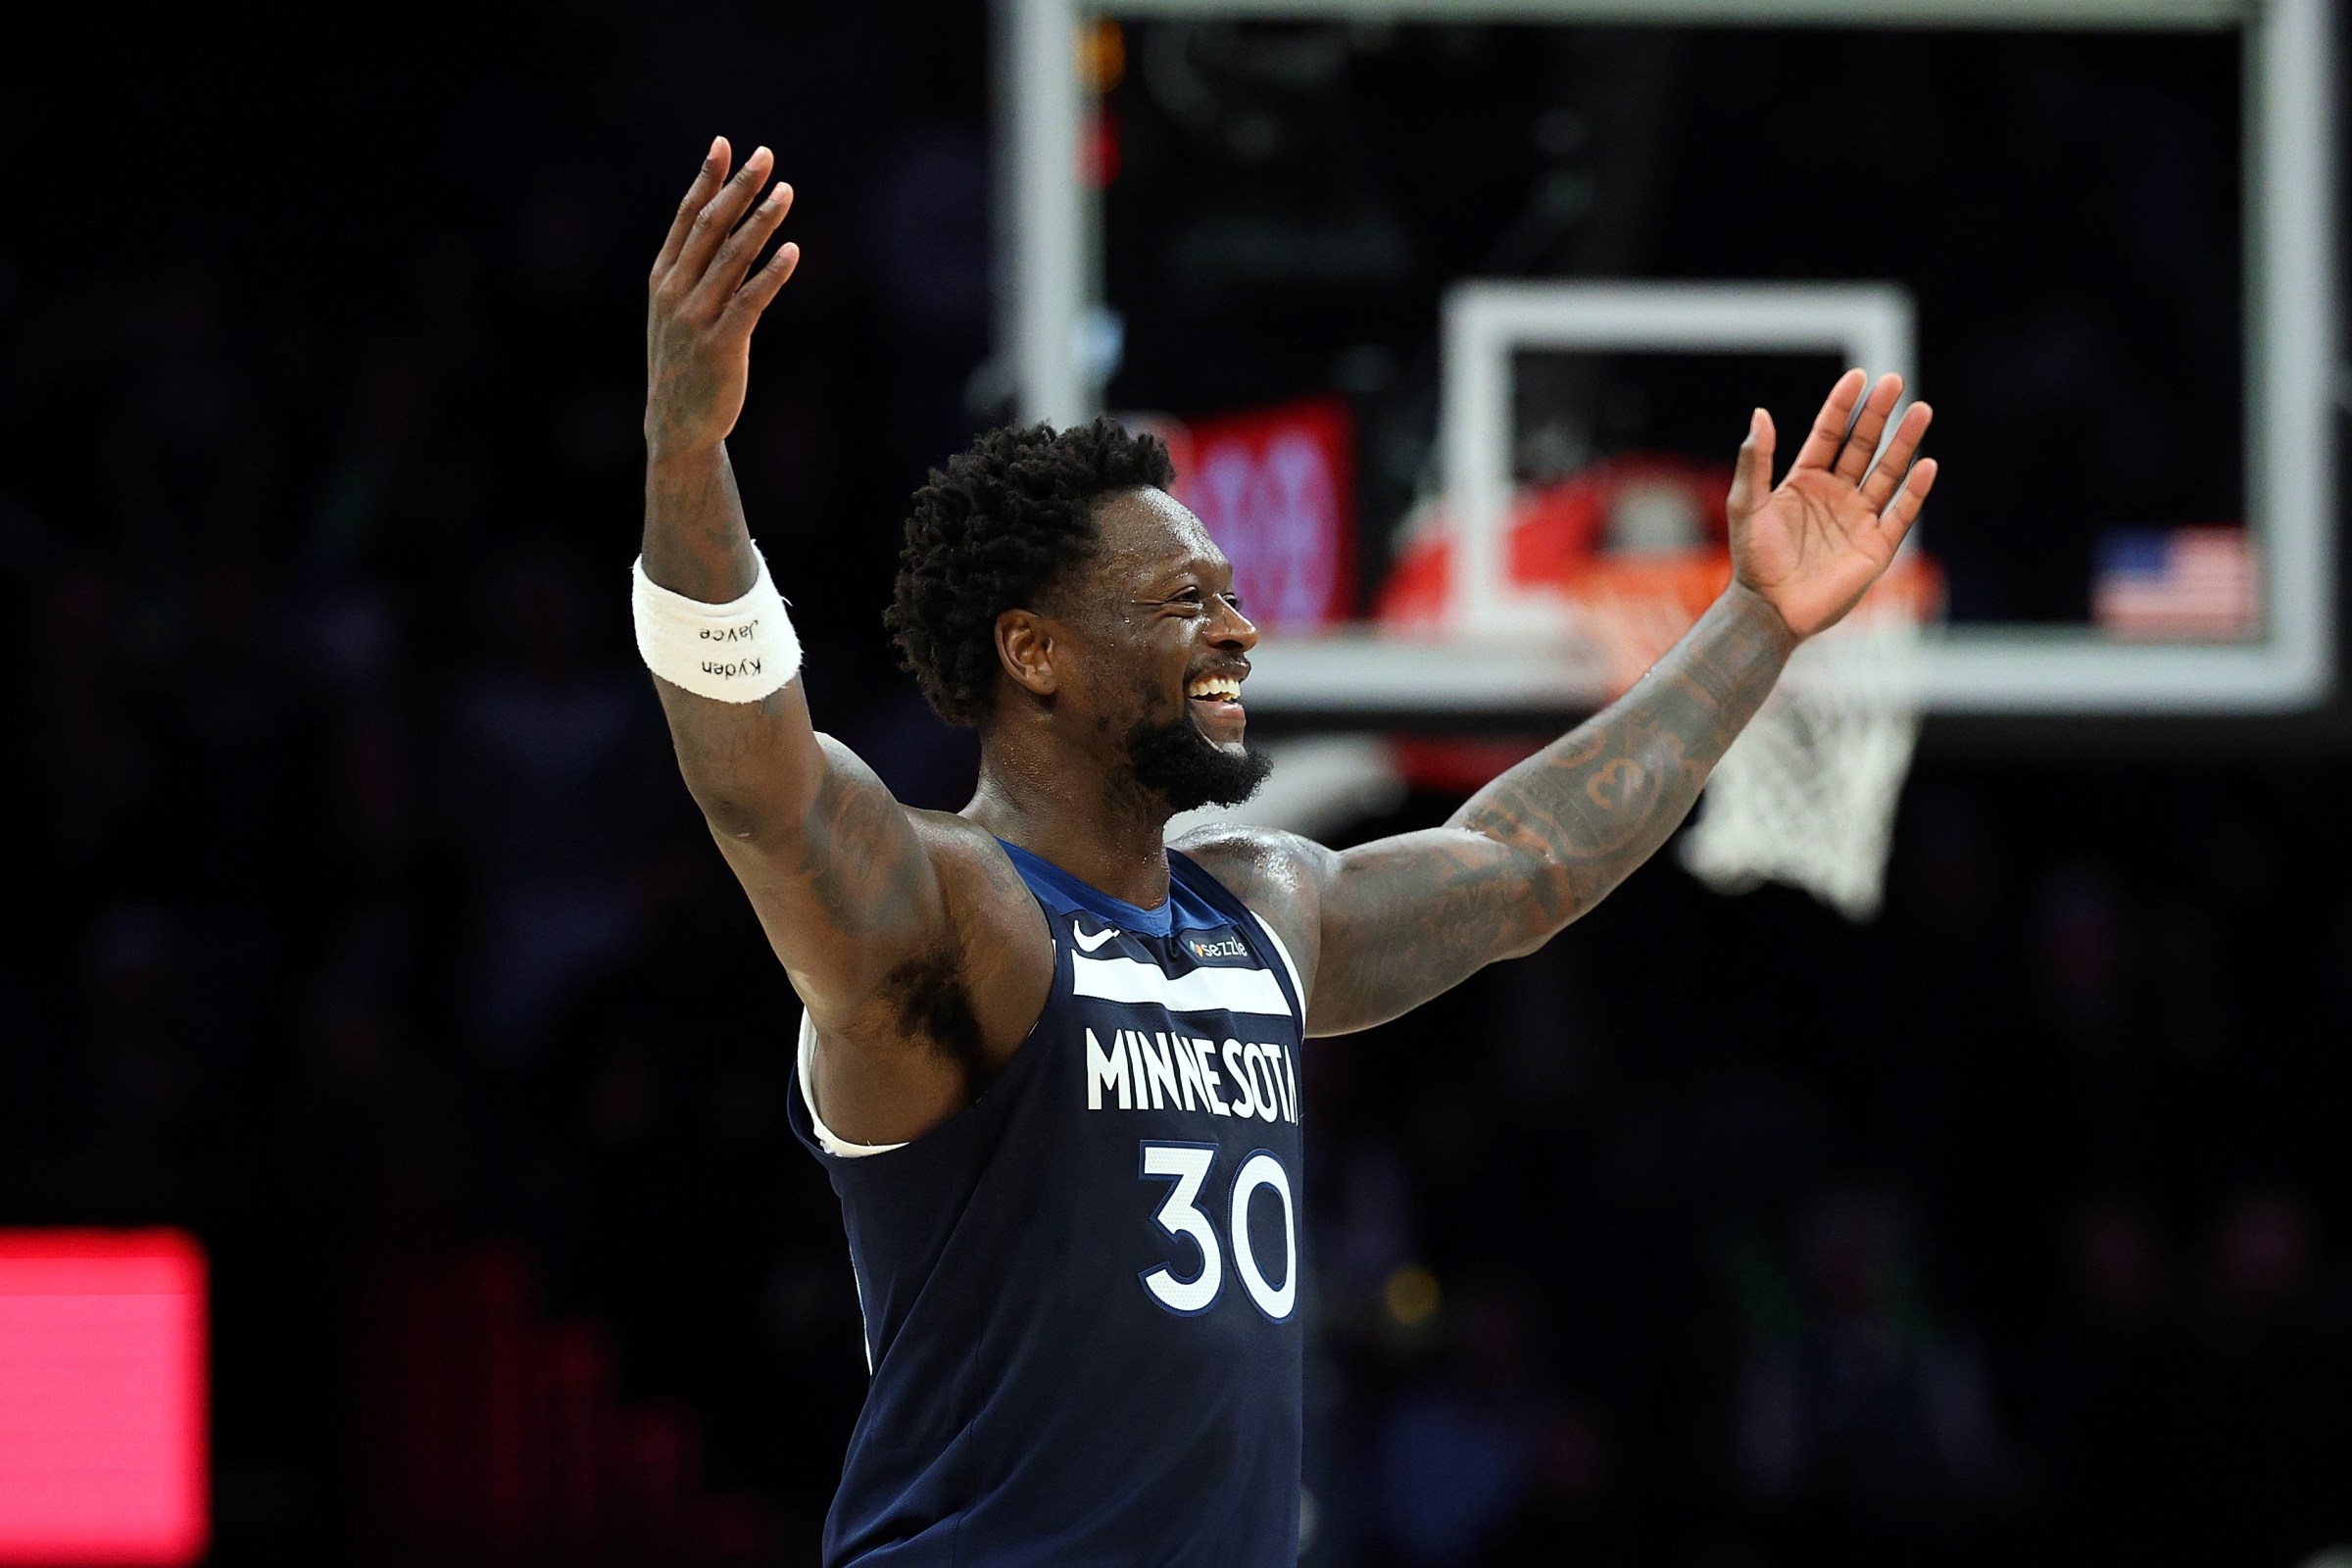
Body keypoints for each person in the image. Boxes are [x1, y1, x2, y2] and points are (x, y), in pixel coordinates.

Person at [636, 138, 1936, 1567]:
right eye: (1187, 597)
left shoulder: (1266, 905)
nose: (1239, 629)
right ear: (1037, 652)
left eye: (1232, 596)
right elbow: (765, 791)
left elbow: (1526, 867)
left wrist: (1756, 625)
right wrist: (689, 459)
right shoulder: (956, 915)